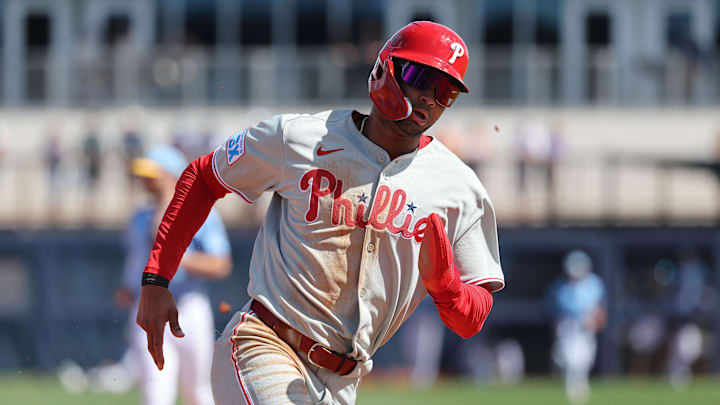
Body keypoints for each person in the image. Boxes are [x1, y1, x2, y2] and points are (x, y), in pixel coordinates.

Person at [136, 21, 504, 405]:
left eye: (445, 91)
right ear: (385, 69)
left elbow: (472, 316)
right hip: (264, 343)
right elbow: (203, 177)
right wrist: (156, 279)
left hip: (345, 379)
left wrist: (447, 289)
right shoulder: (298, 137)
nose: (430, 96)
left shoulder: (459, 188)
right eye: (420, 76)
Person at [118, 145, 232, 405]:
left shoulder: (202, 213)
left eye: (153, 174)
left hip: (189, 305)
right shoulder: (139, 217)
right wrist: (127, 285)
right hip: (147, 306)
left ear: (171, 176)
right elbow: (135, 258)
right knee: (155, 394)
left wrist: (176, 259)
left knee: (199, 393)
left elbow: (220, 264)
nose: (146, 181)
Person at [547, 250, 606, 405]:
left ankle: (580, 384)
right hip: (568, 326)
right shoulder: (560, 287)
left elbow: (600, 309)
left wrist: (595, 320)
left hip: (587, 326)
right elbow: (556, 311)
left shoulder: (595, 283)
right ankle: (572, 387)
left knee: (585, 359)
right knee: (570, 359)